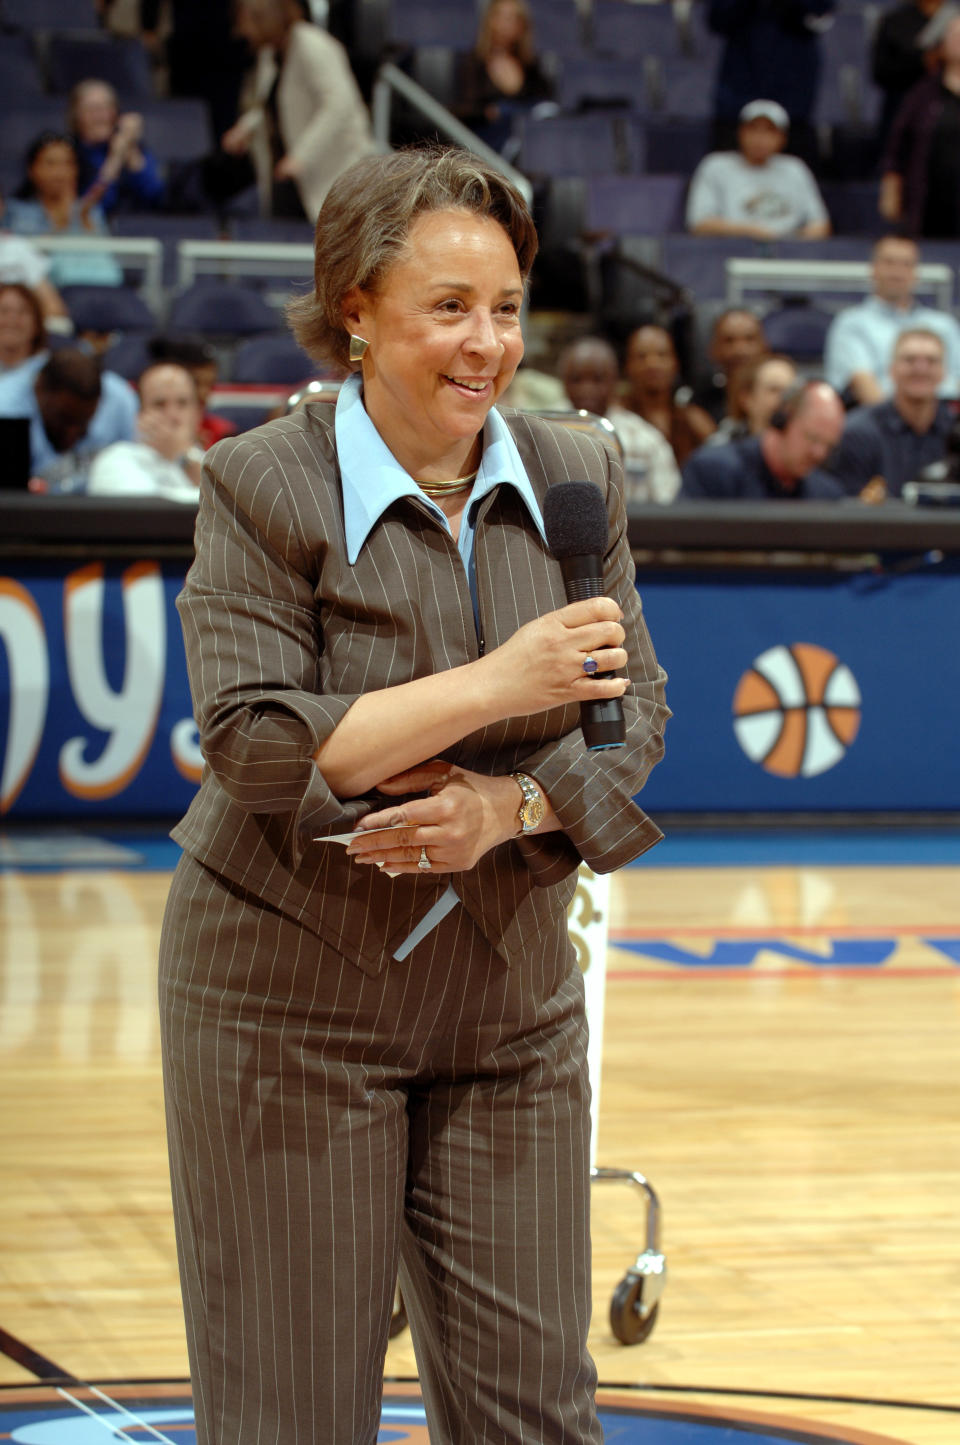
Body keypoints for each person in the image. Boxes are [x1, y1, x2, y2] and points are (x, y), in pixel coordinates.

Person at [158, 145, 669, 1445]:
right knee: (294, 1418)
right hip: (288, 1006)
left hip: (507, 1004)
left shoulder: (575, 472)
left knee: (536, 1422)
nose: (486, 343)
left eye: (505, 307)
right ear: (354, 313)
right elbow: (258, 746)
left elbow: (632, 718)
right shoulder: (260, 482)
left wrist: (514, 810)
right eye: (448, 308)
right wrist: (500, 682)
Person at [216, 0, 375, 220]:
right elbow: (270, 106)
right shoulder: (270, 56)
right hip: (289, 179)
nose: (241, 31)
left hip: (333, 171)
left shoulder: (312, 45)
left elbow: (339, 105)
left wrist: (300, 157)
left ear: (265, 19)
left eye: (245, 22)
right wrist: (245, 128)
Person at [823, 233, 960, 403]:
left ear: (916, 273)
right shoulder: (851, 324)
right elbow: (864, 388)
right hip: (878, 424)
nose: (897, 272)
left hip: (945, 422)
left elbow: (956, 383)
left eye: (906, 264)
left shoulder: (944, 325)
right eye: (889, 263)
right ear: (873, 269)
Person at [826, 328, 956, 496]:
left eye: (931, 361)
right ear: (892, 369)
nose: (921, 369)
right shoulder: (857, 433)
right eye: (910, 360)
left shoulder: (955, 431)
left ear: (943, 372)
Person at [706, 0, 835, 162]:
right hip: (738, 89)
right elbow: (717, 18)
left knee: (790, 171)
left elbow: (819, 12)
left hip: (793, 97)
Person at [686, 100, 831, 241]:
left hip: (788, 255)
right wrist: (750, 232)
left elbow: (820, 225)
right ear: (741, 132)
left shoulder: (795, 168)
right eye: (753, 129)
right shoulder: (716, 166)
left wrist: (790, 243)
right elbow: (699, 224)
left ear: (782, 138)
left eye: (769, 130)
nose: (760, 138)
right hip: (731, 250)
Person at [559, 335, 680, 502]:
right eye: (576, 379)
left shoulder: (647, 440)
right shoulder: (542, 432)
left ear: (614, 381)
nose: (586, 388)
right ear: (563, 382)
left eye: (598, 379)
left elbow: (667, 506)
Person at [0, 346, 138, 490]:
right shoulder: (5, 409)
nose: (72, 432)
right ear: (39, 390)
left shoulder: (120, 400)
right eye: (64, 419)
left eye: (83, 423)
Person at [681, 379, 847, 498]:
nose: (819, 453)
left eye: (829, 446)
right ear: (782, 420)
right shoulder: (713, 471)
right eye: (813, 438)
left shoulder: (826, 494)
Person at [5, 132, 123, 289]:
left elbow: (106, 266)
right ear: (31, 170)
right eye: (50, 163)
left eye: (68, 164)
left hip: (92, 292)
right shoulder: (15, 212)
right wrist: (61, 222)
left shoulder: (90, 212)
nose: (60, 173)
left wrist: (79, 216)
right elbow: (17, 262)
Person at [880, 12, 960, 237]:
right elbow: (898, 146)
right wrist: (891, 189)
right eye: (954, 36)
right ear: (942, 45)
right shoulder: (922, 94)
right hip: (929, 200)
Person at [88, 362, 205, 499]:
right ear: (139, 414)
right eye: (159, 404)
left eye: (182, 403)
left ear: (197, 413)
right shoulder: (114, 461)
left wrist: (185, 457)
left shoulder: (212, 463)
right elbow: (151, 513)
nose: (173, 415)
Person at [455, 0, 555, 152]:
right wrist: (488, 112)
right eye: (500, 17)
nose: (505, 24)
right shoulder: (474, 61)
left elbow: (545, 102)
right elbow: (462, 108)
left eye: (513, 18)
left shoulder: (531, 64)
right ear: (489, 21)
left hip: (524, 136)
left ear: (522, 26)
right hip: (485, 137)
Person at [622, 323, 715, 467]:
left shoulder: (695, 421)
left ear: (675, 364)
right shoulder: (616, 417)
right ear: (628, 365)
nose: (652, 363)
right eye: (641, 356)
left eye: (662, 355)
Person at [68, 79, 165, 216]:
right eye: (92, 109)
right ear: (76, 115)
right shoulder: (68, 153)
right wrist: (115, 159)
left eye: (106, 108)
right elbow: (93, 210)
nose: (101, 117)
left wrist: (130, 148)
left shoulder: (131, 146)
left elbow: (154, 196)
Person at [871, 0, 946, 145]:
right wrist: (921, 62)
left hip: (947, 115)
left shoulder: (955, 22)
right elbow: (880, 72)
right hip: (902, 108)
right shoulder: (895, 22)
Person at [146, 334, 237, 448]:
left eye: (210, 384)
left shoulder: (223, 435)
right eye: (196, 383)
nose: (203, 394)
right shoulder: (136, 436)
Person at [691, 307, 769, 422]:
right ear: (713, 349)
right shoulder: (698, 404)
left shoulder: (784, 399)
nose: (740, 350)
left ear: (764, 346)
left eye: (749, 339)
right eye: (729, 340)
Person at [705, 353, 799, 445]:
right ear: (746, 398)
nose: (784, 398)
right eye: (773, 390)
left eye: (790, 391)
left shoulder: (807, 451)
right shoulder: (720, 449)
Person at [0, 283, 47, 382]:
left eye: (22, 311)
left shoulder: (49, 373)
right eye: (4, 311)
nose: (12, 319)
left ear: (37, 324)